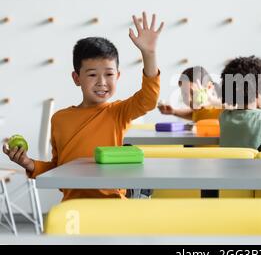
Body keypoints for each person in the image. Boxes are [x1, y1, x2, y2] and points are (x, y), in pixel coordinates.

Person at [2, 12, 163, 201]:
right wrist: (29, 164)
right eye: (92, 74)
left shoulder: (118, 113)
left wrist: (149, 54)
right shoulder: (60, 119)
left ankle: (136, 193)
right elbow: (59, 169)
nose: (102, 82)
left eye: (109, 74)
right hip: (73, 205)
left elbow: (149, 99)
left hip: (112, 202)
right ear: (76, 78)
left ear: (117, 76)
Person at [158, 66, 222, 122]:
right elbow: (196, 115)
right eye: (184, 94)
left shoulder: (223, 108)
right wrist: (174, 111)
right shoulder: (199, 109)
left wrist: (212, 100)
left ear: (209, 87)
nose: (188, 100)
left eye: (192, 92)